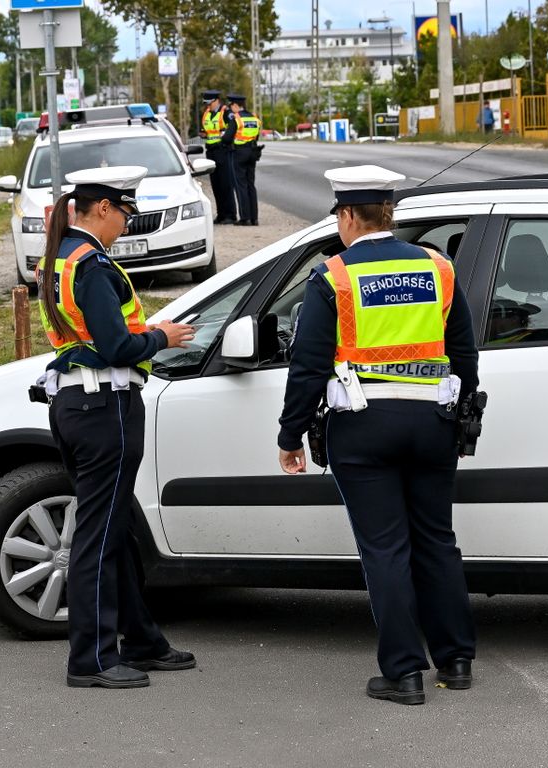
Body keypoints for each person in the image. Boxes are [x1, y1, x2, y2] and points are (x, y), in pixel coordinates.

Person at [277, 165, 479, 706]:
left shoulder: (334, 278)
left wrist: (290, 434)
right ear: (388, 213)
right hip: (433, 424)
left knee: (385, 548)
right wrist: (461, 412)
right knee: (436, 540)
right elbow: (464, 352)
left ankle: (405, 673)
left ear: (347, 216)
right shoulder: (439, 268)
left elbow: (309, 366)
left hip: (363, 429)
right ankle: (456, 659)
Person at [35, 166, 198, 689]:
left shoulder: (60, 258)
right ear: (102, 208)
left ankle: (143, 640)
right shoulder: (93, 266)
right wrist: (162, 337)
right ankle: (92, 660)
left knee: (118, 529)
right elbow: (116, 346)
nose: (126, 225)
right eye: (124, 214)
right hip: (105, 407)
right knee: (99, 539)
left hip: (79, 406)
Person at [200, 89, 237, 224]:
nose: (208, 106)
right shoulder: (206, 114)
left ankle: (230, 215)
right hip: (211, 151)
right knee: (216, 185)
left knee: (226, 183)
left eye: (210, 103)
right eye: (206, 103)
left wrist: (225, 138)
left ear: (216, 100)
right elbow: (207, 130)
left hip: (223, 150)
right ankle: (221, 214)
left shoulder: (226, 112)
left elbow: (233, 129)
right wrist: (203, 134)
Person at [227, 93, 261, 226]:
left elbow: (227, 138)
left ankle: (245, 218)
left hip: (239, 153)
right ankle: (254, 218)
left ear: (236, 105)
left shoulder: (237, 119)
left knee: (241, 186)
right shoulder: (254, 118)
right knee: (251, 185)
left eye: (231, 106)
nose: (231, 108)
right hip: (252, 152)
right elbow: (256, 136)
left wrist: (226, 141)